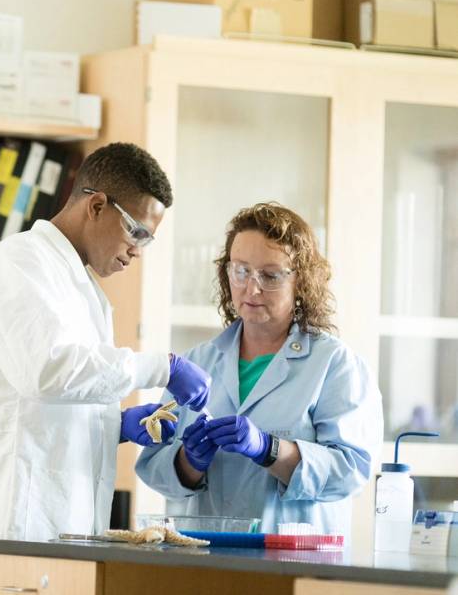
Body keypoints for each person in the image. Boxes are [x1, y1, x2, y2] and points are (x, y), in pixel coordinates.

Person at [0, 142, 211, 595]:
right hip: (12, 520)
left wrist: (111, 425)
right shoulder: (20, 261)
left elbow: (55, 401)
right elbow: (46, 369)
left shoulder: (80, 285)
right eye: (137, 232)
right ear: (97, 205)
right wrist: (163, 366)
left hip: (58, 528)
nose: (138, 251)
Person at [136, 202, 383, 538]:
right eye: (240, 271)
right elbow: (153, 466)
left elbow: (352, 471)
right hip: (208, 559)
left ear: (302, 281)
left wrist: (270, 449)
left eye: (270, 275)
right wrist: (189, 461)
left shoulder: (335, 365)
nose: (251, 288)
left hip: (294, 562)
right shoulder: (198, 363)